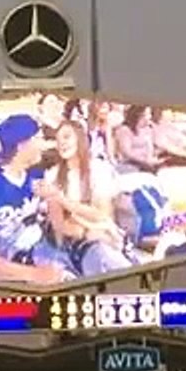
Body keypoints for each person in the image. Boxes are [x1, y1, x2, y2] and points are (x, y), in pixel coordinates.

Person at [0, 114, 73, 284]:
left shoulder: (35, 176)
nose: (42, 145)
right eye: (37, 138)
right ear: (22, 145)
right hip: (9, 273)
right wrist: (33, 274)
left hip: (43, 253)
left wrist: (53, 199)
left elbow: (58, 233)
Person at [41, 118, 134, 276]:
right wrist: (84, 234)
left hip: (105, 233)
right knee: (97, 254)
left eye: (67, 137)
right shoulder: (52, 175)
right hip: (74, 241)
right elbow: (58, 225)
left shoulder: (98, 169)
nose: (61, 143)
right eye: (57, 140)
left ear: (80, 138)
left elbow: (101, 214)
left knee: (108, 257)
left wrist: (64, 201)